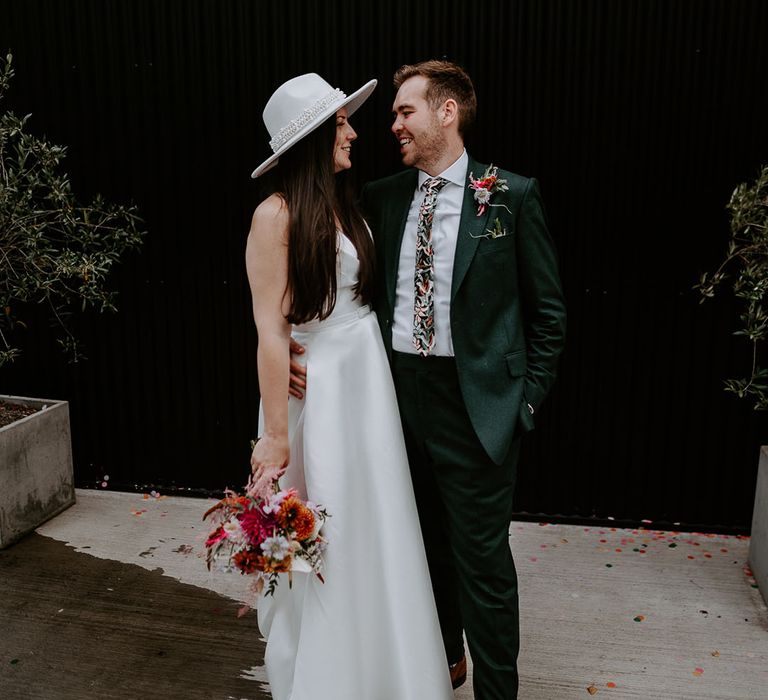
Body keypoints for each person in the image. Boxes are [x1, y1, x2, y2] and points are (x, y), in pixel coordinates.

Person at [361, 60, 567, 699]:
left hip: (477, 405)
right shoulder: (384, 197)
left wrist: (522, 402)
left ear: (445, 113)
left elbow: (548, 312)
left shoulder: (511, 194)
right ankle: (443, 661)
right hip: (397, 399)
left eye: (404, 111)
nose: (393, 123)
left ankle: (497, 692)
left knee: (483, 566)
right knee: (421, 548)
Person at [245, 72, 454, 700]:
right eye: (340, 123)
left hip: (368, 389)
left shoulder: (343, 203)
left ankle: (388, 673)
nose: (354, 132)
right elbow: (270, 328)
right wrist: (277, 436)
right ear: (311, 138)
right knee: (318, 538)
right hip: (321, 395)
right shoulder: (273, 216)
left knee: (375, 528)